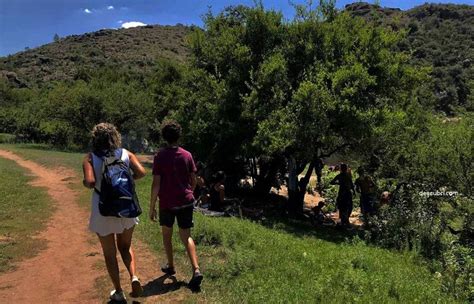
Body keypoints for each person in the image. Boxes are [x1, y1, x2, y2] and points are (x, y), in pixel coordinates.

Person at [82, 123, 146, 302]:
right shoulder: (126, 154)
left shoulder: (90, 158)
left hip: (103, 209)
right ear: (115, 137)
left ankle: (119, 291)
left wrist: (90, 182)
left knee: (109, 253)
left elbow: (90, 182)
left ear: (95, 138)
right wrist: (127, 182)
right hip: (126, 207)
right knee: (125, 246)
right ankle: (134, 276)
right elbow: (141, 172)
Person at [149, 120, 203, 289]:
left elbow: (156, 183)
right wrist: (190, 192)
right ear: (179, 135)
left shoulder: (160, 156)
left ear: (164, 137)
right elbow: (193, 180)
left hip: (167, 203)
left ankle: (171, 266)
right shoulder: (187, 155)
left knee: (167, 234)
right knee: (186, 236)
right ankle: (196, 270)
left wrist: (152, 206)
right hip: (185, 201)